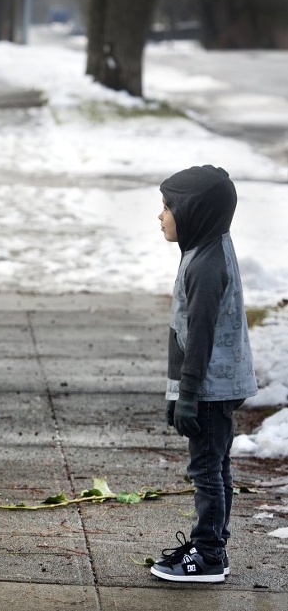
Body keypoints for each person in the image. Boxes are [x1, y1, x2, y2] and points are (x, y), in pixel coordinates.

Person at [150, 165, 258, 583]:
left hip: (210, 388)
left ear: (192, 212)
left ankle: (209, 554)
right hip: (209, 385)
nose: (160, 216)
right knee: (216, 467)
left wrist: (188, 394)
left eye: (166, 207)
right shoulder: (207, 247)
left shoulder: (206, 264)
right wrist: (176, 393)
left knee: (206, 472)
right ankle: (211, 546)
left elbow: (200, 337)